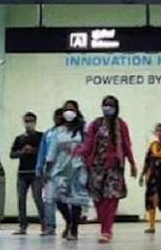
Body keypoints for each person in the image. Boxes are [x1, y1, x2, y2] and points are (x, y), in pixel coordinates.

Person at [77, 95, 137, 244]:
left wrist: (132, 163)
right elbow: (88, 143)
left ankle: (106, 230)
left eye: (110, 105)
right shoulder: (96, 124)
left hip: (114, 168)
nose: (107, 108)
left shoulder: (121, 124)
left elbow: (126, 145)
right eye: (105, 105)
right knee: (98, 199)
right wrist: (77, 153)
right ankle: (104, 226)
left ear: (116, 108)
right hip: (96, 167)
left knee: (111, 199)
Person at [44, 103, 92, 241]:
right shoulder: (58, 131)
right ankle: (69, 221)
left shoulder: (83, 129)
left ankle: (74, 229)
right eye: (66, 109)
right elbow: (51, 152)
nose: (69, 112)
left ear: (77, 111)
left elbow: (89, 147)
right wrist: (47, 171)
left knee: (76, 199)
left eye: (72, 109)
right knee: (57, 197)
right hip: (60, 169)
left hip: (78, 167)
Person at [9, 112, 44, 235]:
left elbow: (44, 152)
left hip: (36, 173)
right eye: (26, 121)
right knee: (21, 199)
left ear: (35, 122)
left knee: (38, 198)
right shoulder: (19, 139)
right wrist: (22, 152)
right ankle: (22, 226)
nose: (28, 123)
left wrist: (33, 150)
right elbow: (12, 155)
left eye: (31, 121)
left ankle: (45, 225)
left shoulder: (41, 137)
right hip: (22, 173)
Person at [35, 108, 64, 236]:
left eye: (60, 116)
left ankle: (70, 225)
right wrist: (39, 167)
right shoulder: (48, 133)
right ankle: (50, 226)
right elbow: (42, 152)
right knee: (48, 199)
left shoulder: (68, 133)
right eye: (55, 116)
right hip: (50, 169)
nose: (57, 119)